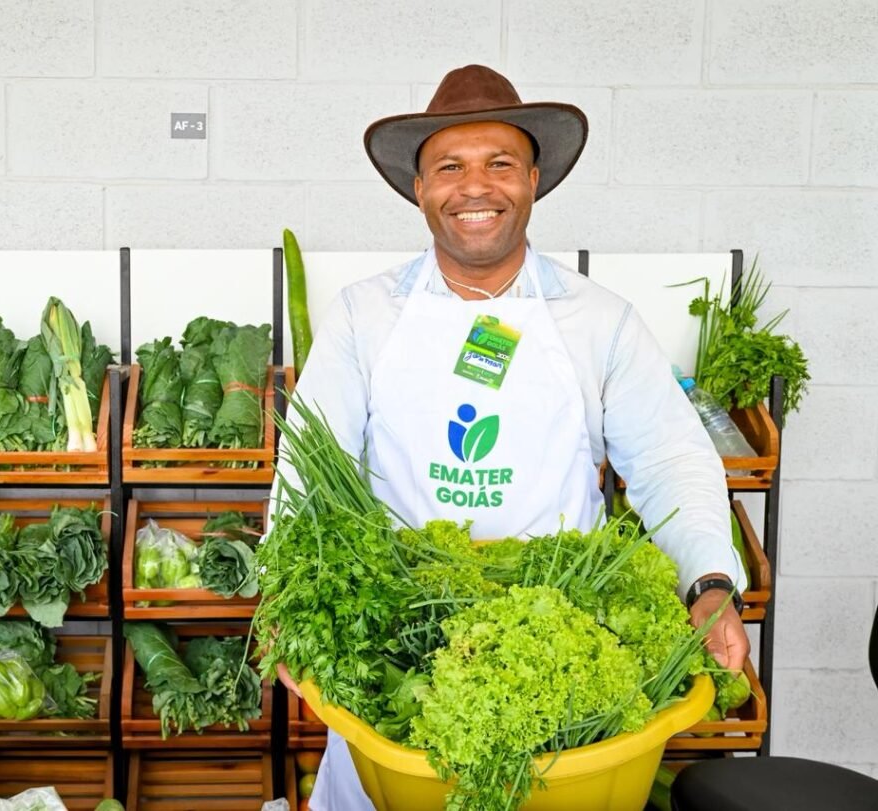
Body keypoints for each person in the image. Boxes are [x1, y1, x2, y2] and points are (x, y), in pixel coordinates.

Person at [273, 65, 750, 811]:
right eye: (448, 167)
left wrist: (709, 583)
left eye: (499, 163)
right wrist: (287, 599)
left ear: (532, 178)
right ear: (419, 187)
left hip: (562, 658)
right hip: (401, 654)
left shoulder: (599, 320)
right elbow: (307, 466)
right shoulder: (363, 317)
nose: (475, 187)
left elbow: (668, 460)